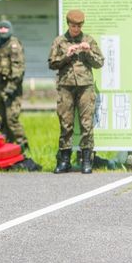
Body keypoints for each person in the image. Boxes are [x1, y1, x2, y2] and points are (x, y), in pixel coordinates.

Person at [48, 9, 104, 174]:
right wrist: (66, 55)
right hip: (66, 87)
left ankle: (86, 160)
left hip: (85, 87)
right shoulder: (59, 41)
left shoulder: (89, 40)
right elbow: (52, 64)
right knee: (66, 124)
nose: (76, 29)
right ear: (68, 24)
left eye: (79, 26)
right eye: (73, 26)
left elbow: (99, 63)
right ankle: (64, 160)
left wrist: (88, 52)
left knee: (86, 124)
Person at [0, 19, 29, 150]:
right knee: (3, 121)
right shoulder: (1, 45)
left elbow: (18, 68)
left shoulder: (13, 45)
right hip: (1, 88)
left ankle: (24, 146)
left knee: (11, 119)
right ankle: (9, 148)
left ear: (10, 29)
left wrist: (11, 88)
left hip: (12, 89)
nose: (2, 30)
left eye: (5, 28)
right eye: (0, 28)